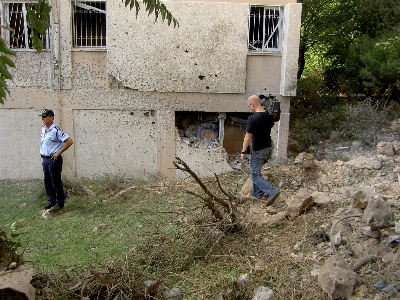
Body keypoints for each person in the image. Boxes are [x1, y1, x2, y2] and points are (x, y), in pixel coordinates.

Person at [240, 95, 280, 206]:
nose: (250, 108)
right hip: (268, 148)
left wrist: (243, 152)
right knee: (255, 170)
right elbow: (270, 126)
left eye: (249, 106)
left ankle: (272, 191)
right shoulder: (269, 115)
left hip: (259, 150)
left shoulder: (252, 119)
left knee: (255, 175)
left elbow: (248, 137)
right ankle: (257, 193)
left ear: (252, 104)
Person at [39, 109, 73, 212]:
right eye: (42, 117)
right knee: (48, 181)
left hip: (54, 159)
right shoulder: (43, 129)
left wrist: (59, 152)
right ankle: (51, 200)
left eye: (45, 116)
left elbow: (69, 141)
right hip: (45, 158)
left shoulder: (56, 130)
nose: (43, 119)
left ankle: (59, 203)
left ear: (52, 117)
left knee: (56, 181)